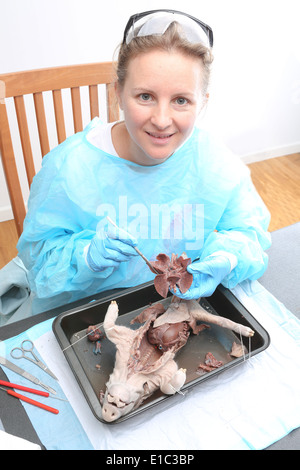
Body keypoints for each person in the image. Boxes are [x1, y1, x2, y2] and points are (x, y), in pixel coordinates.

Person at [15, 9, 271, 314]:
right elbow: (38, 261)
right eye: (145, 96)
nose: (162, 120)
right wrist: (85, 257)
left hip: (171, 307)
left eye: (181, 100)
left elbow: (249, 233)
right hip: (82, 314)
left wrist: (228, 259)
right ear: (119, 93)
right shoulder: (69, 168)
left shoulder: (215, 163)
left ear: (202, 103)